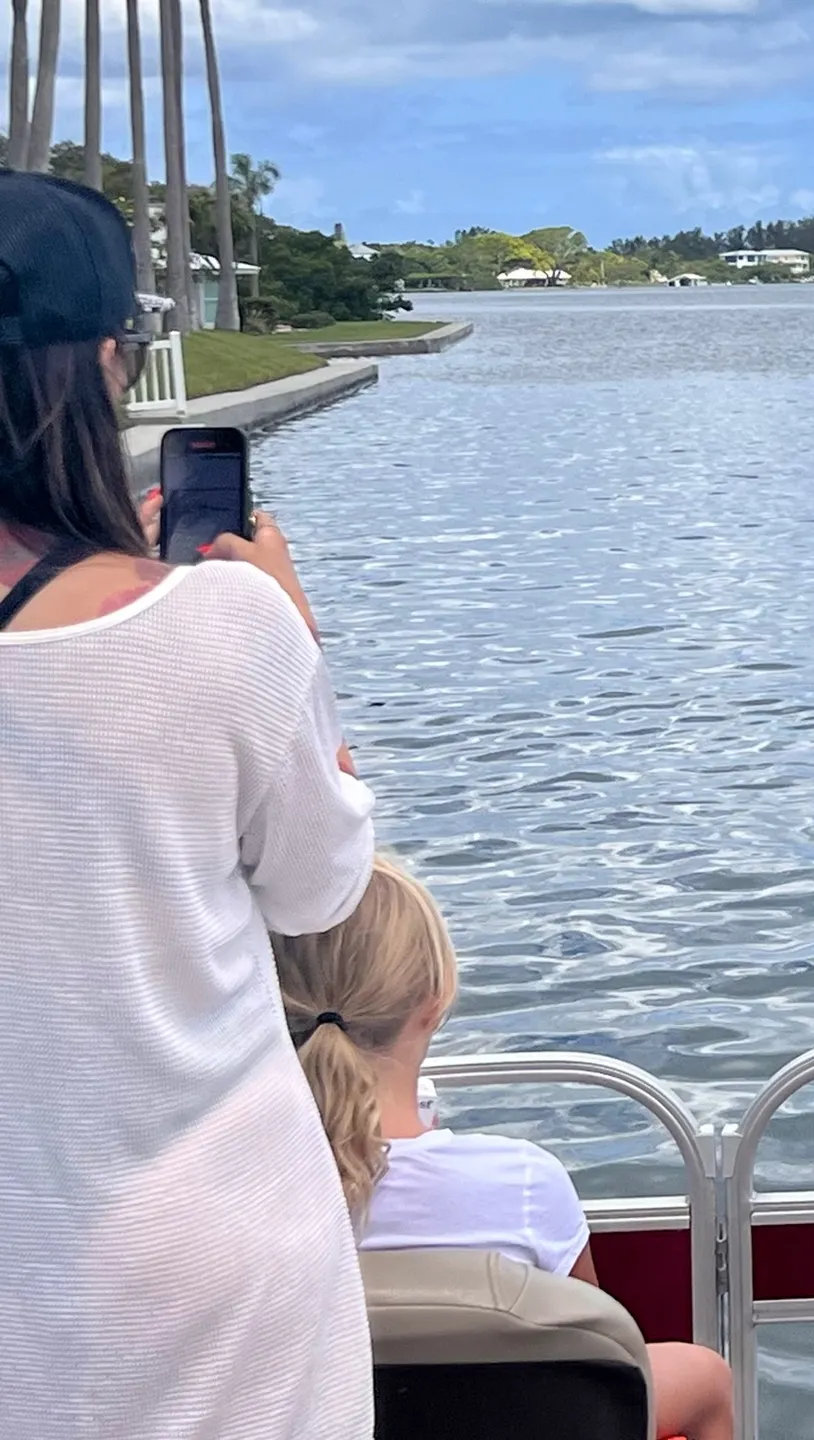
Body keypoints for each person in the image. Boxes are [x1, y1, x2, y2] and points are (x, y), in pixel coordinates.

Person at [0, 172, 377, 1436]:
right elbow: (322, 891)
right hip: (207, 1268)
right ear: (107, 367)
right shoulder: (220, 627)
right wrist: (292, 628)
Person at [273, 855, 736, 1440]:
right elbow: (595, 1356)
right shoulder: (523, 1183)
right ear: (435, 999)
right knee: (706, 1376)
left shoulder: (234, 1191)